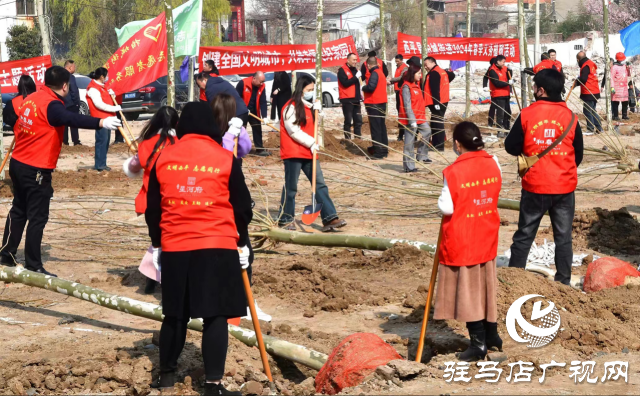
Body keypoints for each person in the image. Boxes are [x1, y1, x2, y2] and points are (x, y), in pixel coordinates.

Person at [146, 102, 251, 396]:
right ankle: (213, 386)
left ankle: (166, 378)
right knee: (215, 315)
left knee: (175, 314)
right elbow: (242, 207)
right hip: (216, 245)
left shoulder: (164, 158)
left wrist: (157, 242)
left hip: (176, 245)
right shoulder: (225, 159)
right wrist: (241, 241)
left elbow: (153, 208)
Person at [0, 66, 121, 275]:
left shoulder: (34, 97)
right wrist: (100, 122)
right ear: (65, 86)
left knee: (18, 209)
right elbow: (71, 119)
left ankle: (6, 254)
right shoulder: (51, 105)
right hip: (35, 167)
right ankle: (33, 264)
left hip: (18, 162)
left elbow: (64, 113)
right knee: (37, 216)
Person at [505, 69, 583, 286]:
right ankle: (563, 283)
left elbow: (510, 146)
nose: (533, 90)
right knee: (563, 237)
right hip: (564, 187)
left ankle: (514, 282)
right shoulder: (571, 117)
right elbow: (578, 155)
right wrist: (561, 168)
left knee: (524, 235)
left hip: (535, 186)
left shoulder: (528, 114)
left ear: (541, 90)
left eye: (534, 87)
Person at [434, 121, 502, 362]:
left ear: (456, 144)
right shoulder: (493, 163)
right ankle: (493, 336)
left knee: (470, 293)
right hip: (487, 234)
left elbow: (446, 206)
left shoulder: (453, 172)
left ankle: (478, 344)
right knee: (486, 288)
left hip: (464, 241)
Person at [278, 74, 347, 232]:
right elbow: (293, 131)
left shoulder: (310, 107)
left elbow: (315, 128)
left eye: (312, 89)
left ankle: (329, 217)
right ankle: (286, 218)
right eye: (309, 89)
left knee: (320, 185)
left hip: (309, 152)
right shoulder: (290, 107)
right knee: (291, 187)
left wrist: (319, 113)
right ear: (301, 89)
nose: (311, 92)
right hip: (294, 153)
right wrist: (311, 143)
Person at [122, 106, 179, 294]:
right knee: (169, 240)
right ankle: (160, 278)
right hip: (173, 198)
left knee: (156, 241)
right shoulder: (179, 143)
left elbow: (135, 166)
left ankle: (152, 279)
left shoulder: (146, 144)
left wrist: (133, 162)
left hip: (151, 199)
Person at [87, 67, 121, 171]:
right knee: (101, 141)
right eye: (106, 75)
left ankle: (102, 163)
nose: (107, 77)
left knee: (106, 142)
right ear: (102, 77)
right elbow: (99, 104)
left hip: (108, 118)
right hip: (100, 119)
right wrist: (114, 108)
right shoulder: (93, 88)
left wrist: (112, 95)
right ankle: (99, 165)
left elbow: (108, 99)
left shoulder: (103, 87)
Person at [399, 63, 431, 172]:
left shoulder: (416, 85)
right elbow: (407, 105)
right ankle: (409, 166)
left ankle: (421, 155)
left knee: (427, 132)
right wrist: (412, 121)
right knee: (409, 142)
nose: (420, 75)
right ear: (412, 74)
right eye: (418, 73)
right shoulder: (406, 87)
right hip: (410, 119)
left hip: (420, 117)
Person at [423, 57, 455, 151]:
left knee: (437, 123)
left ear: (433, 63)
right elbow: (452, 75)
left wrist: (436, 102)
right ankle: (436, 143)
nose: (425, 67)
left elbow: (434, 90)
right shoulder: (441, 71)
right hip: (443, 100)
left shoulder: (434, 73)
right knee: (435, 122)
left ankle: (439, 146)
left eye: (426, 65)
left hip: (437, 102)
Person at [236, 71, 269, 156]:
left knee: (257, 128)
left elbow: (263, 101)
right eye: (260, 81)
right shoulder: (243, 83)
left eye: (263, 81)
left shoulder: (262, 86)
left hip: (254, 111)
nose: (262, 83)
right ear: (254, 79)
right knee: (241, 130)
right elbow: (236, 98)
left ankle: (260, 149)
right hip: (242, 111)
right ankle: (239, 149)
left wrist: (265, 116)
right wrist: (243, 108)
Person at [362, 56, 389, 159]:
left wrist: (363, 87)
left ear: (368, 65)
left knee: (376, 129)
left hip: (374, 104)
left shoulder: (374, 73)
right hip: (381, 103)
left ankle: (378, 153)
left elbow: (371, 87)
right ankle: (384, 150)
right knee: (382, 127)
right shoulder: (381, 72)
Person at [211, 93, 252, 158]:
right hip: (222, 165)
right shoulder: (209, 130)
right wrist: (230, 135)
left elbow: (246, 149)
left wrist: (241, 132)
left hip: (230, 164)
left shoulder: (236, 127)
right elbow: (223, 156)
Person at [337, 53, 363, 140]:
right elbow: (345, 83)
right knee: (348, 120)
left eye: (356, 60)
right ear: (348, 60)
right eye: (353, 60)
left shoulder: (356, 70)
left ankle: (358, 138)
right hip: (347, 99)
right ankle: (347, 139)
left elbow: (357, 83)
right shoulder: (342, 70)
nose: (355, 62)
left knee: (358, 120)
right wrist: (356, 77)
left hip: (356, 99)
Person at [576, 51, 602, 133]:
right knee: (593, 110)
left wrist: (576, 82)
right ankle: (599, 128)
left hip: (589, 92)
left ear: (578, 59)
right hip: (594, 91)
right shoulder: (590, 63)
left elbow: (583, 79)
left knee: (587, 111)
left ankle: (590, 129)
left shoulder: (585, 65)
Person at [487, 55, 513, 134]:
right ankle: (500, 130)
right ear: (498, 62)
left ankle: (507, 128)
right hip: (498, 94)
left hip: (506, 93)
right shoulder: (492, 70)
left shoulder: (505, 68)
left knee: (508, 112)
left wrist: (510, 69)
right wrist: (508, 83)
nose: (504, 63)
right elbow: (497, 83)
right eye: (503, 62)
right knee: (500, 113)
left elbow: (509, 76)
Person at [388, 54, 409, 141]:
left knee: (402, 112)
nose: (397, 62)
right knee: (399, 111)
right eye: (396, 61)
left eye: (398, 61)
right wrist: (391, 82)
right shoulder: (397, 67)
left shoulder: (405, 68)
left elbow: (400, 78)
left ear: (401, 60)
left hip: (402, 91)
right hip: (397, 91)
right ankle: (402, 132)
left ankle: (403, 133)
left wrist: (391, 79)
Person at [62, 60, 82, 146]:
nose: (75, 68)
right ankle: (76, 141)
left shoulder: (58, 76)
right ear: (69, 67)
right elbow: (74, 91)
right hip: (71, 104)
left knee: (64, 124)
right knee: (73, 123)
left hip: (61, 104)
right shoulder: (70, 77)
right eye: (74, 66)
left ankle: (64, 141)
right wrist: (77, 103)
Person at [611, 52, 630, 120]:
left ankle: (624, 115)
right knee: (616, 102)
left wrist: (629, 68)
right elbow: (612, 78)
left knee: (625, 102)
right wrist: (612, 87)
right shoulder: (614, 67)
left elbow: (628, 74)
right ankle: (615, 115)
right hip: (617, 87)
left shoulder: (624, 66)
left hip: (624, 87)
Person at [483, 57, 498, 128]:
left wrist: (510, 90)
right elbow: (485, 77)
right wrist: (485, 86)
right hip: (494, 91)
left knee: (503, 109)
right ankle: (490, 122)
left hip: (504, 92)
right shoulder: (491, 69)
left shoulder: (503, 68)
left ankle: (501, 123)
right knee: (493, 107)